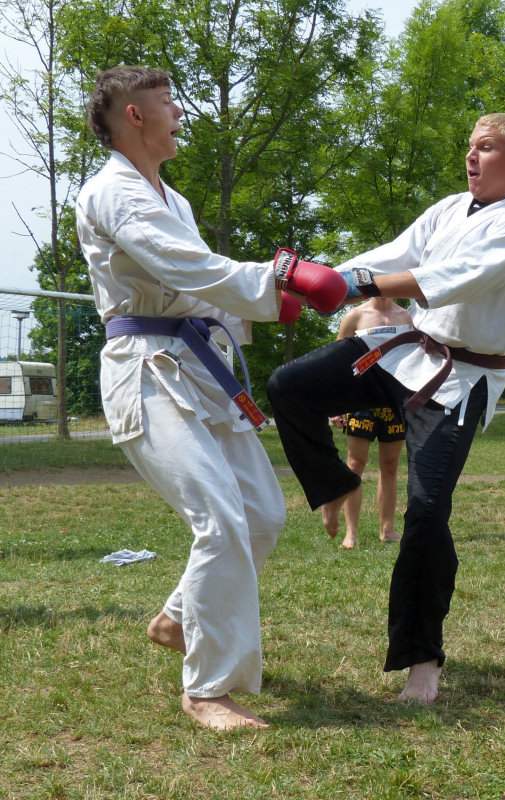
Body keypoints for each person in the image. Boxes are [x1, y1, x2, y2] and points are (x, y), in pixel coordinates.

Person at [75, 66, 344, 730]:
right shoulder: (112, 191)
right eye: (167, 102)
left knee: (262, 514)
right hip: (146, 369)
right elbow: (185, 266)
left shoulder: (173, 198)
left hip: (200, 364)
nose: (179, 113)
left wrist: (269, 299)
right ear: (133, 115)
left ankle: (177, 620)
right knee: (220, 516)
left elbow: (197, 288)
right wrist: (277, 279)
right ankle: (206, 690)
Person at [267, 113, 505, 703]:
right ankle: (335, 485)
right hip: (403, 351)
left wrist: (357, 284)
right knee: (290, 384)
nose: (471, 156)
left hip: (461, 377)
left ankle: (422, 658)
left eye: (485, 148)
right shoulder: (450, 208)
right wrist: (314, 279)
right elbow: (394, 252)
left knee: (426, 513)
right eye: (469, 146)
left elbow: (453, 278)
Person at [329, 297, 412, 549]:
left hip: (394, 401)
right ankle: (350, 533)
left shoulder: (407, 317)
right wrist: (337, 406)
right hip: (361, 401)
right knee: (355, 465)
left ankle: (388, 529)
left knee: (390, 465)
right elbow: (337, 363)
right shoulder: (354, 316)